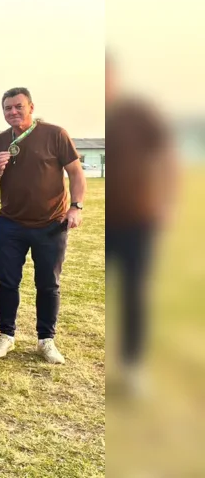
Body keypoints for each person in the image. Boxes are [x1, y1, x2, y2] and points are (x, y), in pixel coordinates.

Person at [0, 87, 86, 364]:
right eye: (7, 108)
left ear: (31, 107)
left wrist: (76, 207)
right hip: (10, 224)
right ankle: (6, 335)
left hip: (51, 223)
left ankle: (46, 340)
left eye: (18, 106)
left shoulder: (55, 134)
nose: (13, 112)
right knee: (7, 282)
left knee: (48, 284)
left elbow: (75, 172)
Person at [105, 56, 175, 394]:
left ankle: (133, 365)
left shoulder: (137, 113)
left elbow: (167, 155)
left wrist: (167, 202)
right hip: (106, 223)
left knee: (134, 291)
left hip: (137, 219)